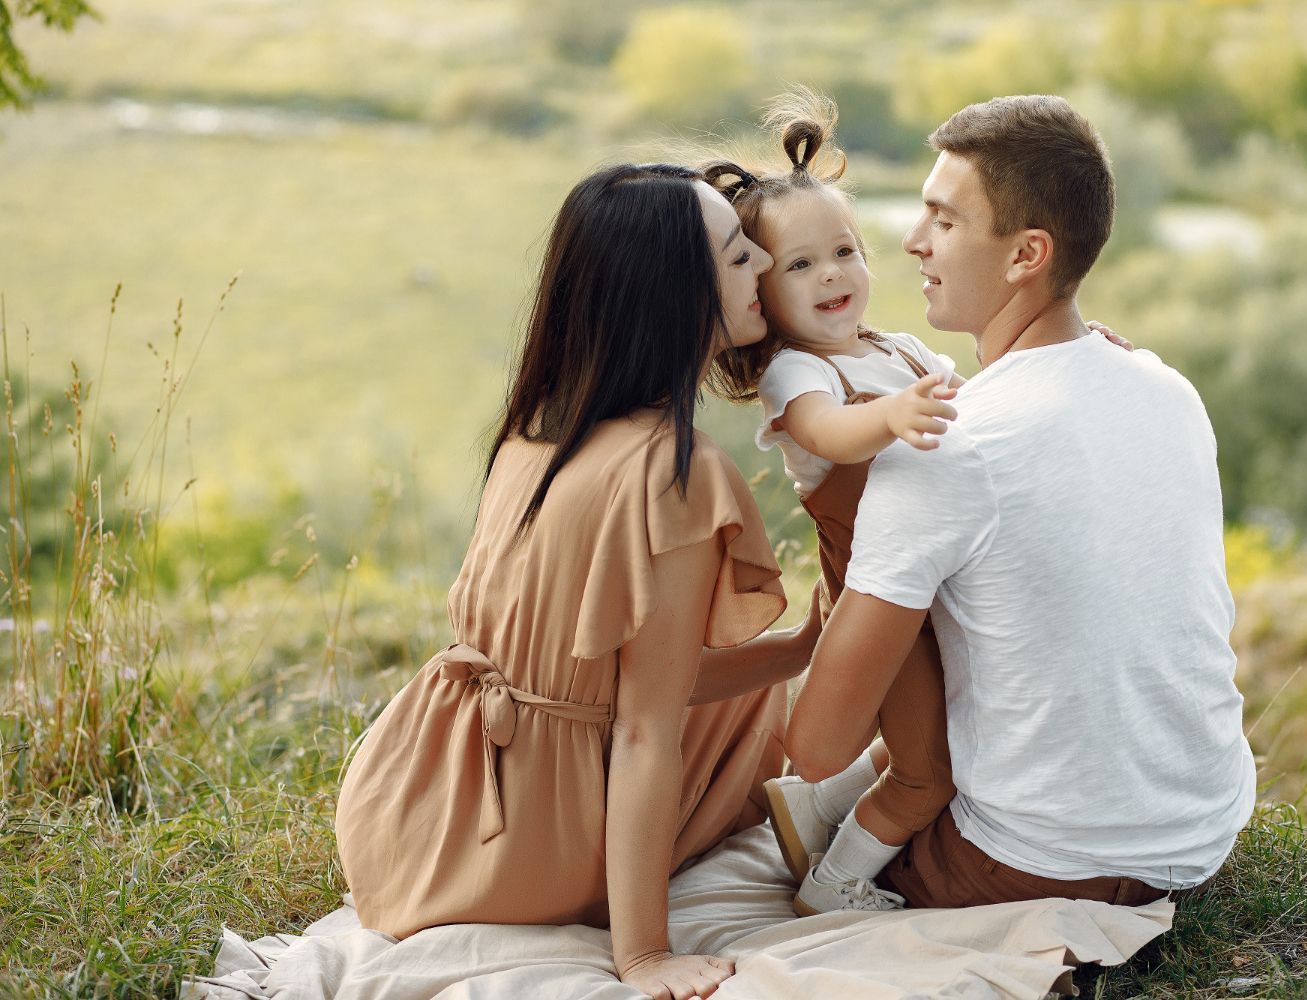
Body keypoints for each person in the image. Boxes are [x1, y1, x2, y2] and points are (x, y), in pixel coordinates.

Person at [335, 163, 821, 1000]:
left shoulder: (537, 426)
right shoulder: (674, 471)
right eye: (740, 257)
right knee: (725, 720)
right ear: (675, 290)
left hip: (405, 800)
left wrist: (799, 650)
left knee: (747, 688)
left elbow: (604, 678)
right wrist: (644, 957)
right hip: (513, 845)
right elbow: (641, 730)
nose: (767, 270)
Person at [780, 95, 1257, 910]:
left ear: (1026, 255)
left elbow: (817, 742)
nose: (913, 241)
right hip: (1202, 832)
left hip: (1037, 864)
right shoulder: (1168, 388)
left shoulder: (944, 447)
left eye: (945, 220)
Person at [701, 92, 961, 917]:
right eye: (800, 266)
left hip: (933, 584)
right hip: (877, 602)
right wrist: (890, 416)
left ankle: (814, 807)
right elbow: (832, 433)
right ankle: (835, 882)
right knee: (926, 772)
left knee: (938, 726)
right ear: (760, 295)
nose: (833, 275)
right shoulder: (797, 373)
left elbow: (984, 407)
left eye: (844, 250)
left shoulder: (900, 349)